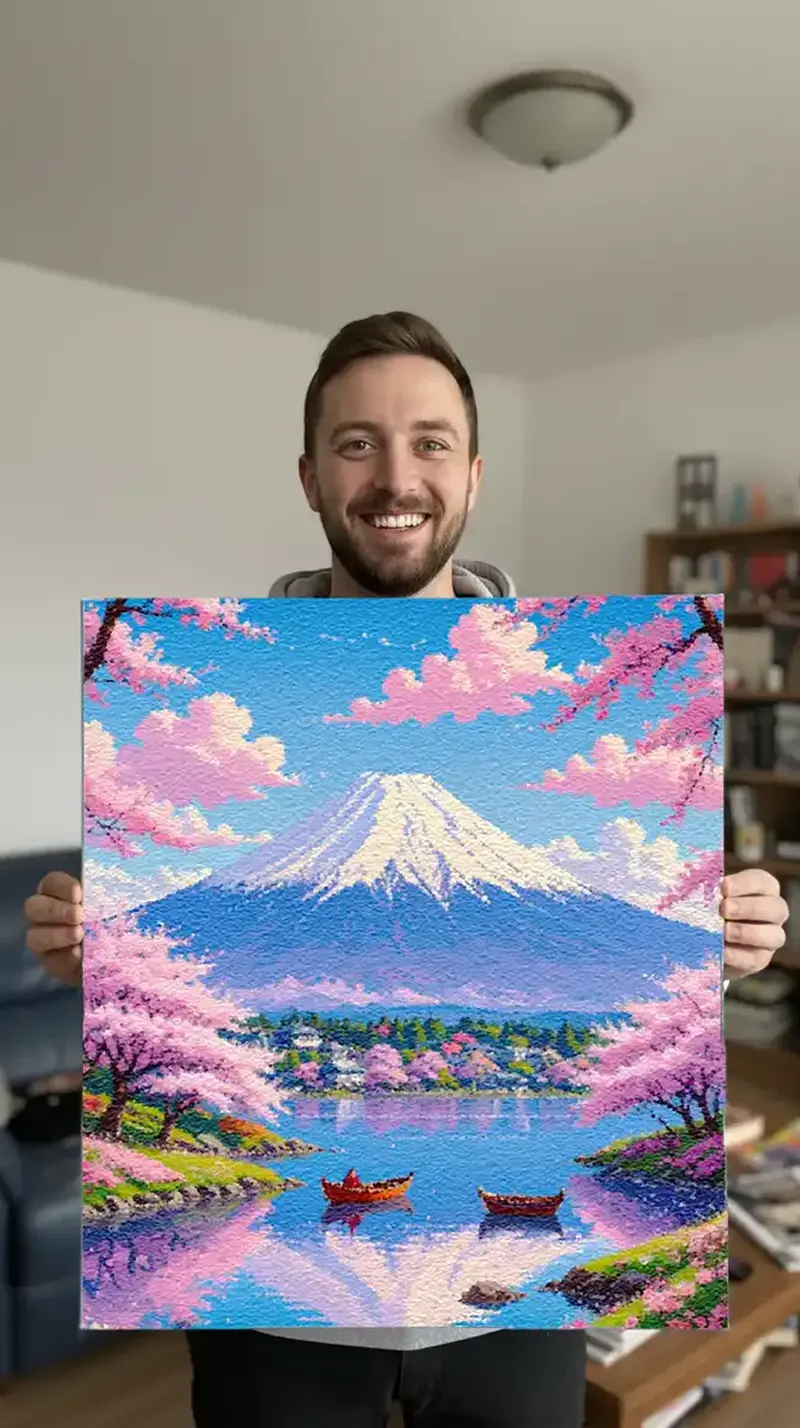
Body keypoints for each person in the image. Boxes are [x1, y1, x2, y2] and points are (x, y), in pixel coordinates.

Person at [24, 312, 789, 1427]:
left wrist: (715, 945)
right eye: (357, 443)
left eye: (430, 442)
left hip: (517, 1308)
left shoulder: (589, 690)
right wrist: (88, 961)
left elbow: (622, 993)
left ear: (472, 473)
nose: (396, 477)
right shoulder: (180, 696)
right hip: (267, 1320)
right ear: (307, 474)